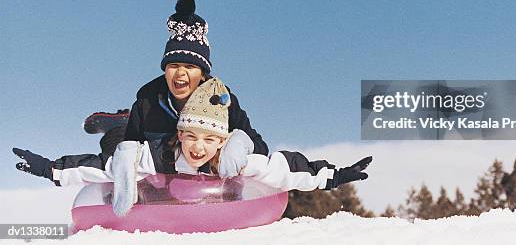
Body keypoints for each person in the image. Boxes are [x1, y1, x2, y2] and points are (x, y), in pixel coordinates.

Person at [13, 77, 372, 216]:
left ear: (223, 140)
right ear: (179, 135)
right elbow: (98, 167)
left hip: (210, 127)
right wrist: (49, 168)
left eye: (210, 141)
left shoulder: (233, 159)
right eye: (191, 137)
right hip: (133, 136)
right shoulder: (160, 154)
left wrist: (333, 176)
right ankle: (119, 123)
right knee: (117, 152)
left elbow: (287, 168)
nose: (199, 148)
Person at [88, 0, 268, 178]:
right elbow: (131, 152)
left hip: (196, 169)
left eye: (190, 67)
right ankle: (118, 125)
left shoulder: (222, 100)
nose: (180, 73)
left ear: (202, 74)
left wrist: (238, 143)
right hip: (162, 160)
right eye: (173, 66)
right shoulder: (147, 101)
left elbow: (260, 146)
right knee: (116, 153)